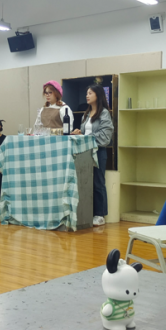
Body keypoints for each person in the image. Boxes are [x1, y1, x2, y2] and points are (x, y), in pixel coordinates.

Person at [71, 85, 114, 226]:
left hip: (98, 152)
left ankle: (100, 214)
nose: (87, 95)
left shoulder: (104, 113)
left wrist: (85, 136)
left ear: (98, 95)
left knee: (98, 182)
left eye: (90, 93)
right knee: (86, 182)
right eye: (86, 93)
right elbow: (86, 133)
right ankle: (89, 212)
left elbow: (105, 137)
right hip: (85, 152)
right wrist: (79, 133)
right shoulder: (86, 113)